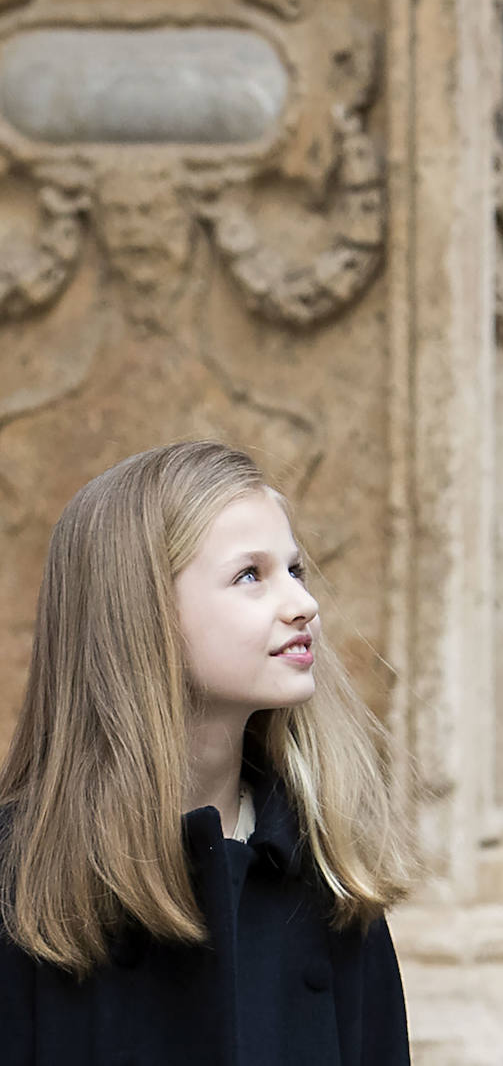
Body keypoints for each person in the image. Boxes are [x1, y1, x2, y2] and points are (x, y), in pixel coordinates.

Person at [0, 440, 412, 1065]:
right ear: (142, 612)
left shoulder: (327, 875)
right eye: (251, 575)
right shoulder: (21, 882)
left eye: (295, 570)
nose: (305, 603)